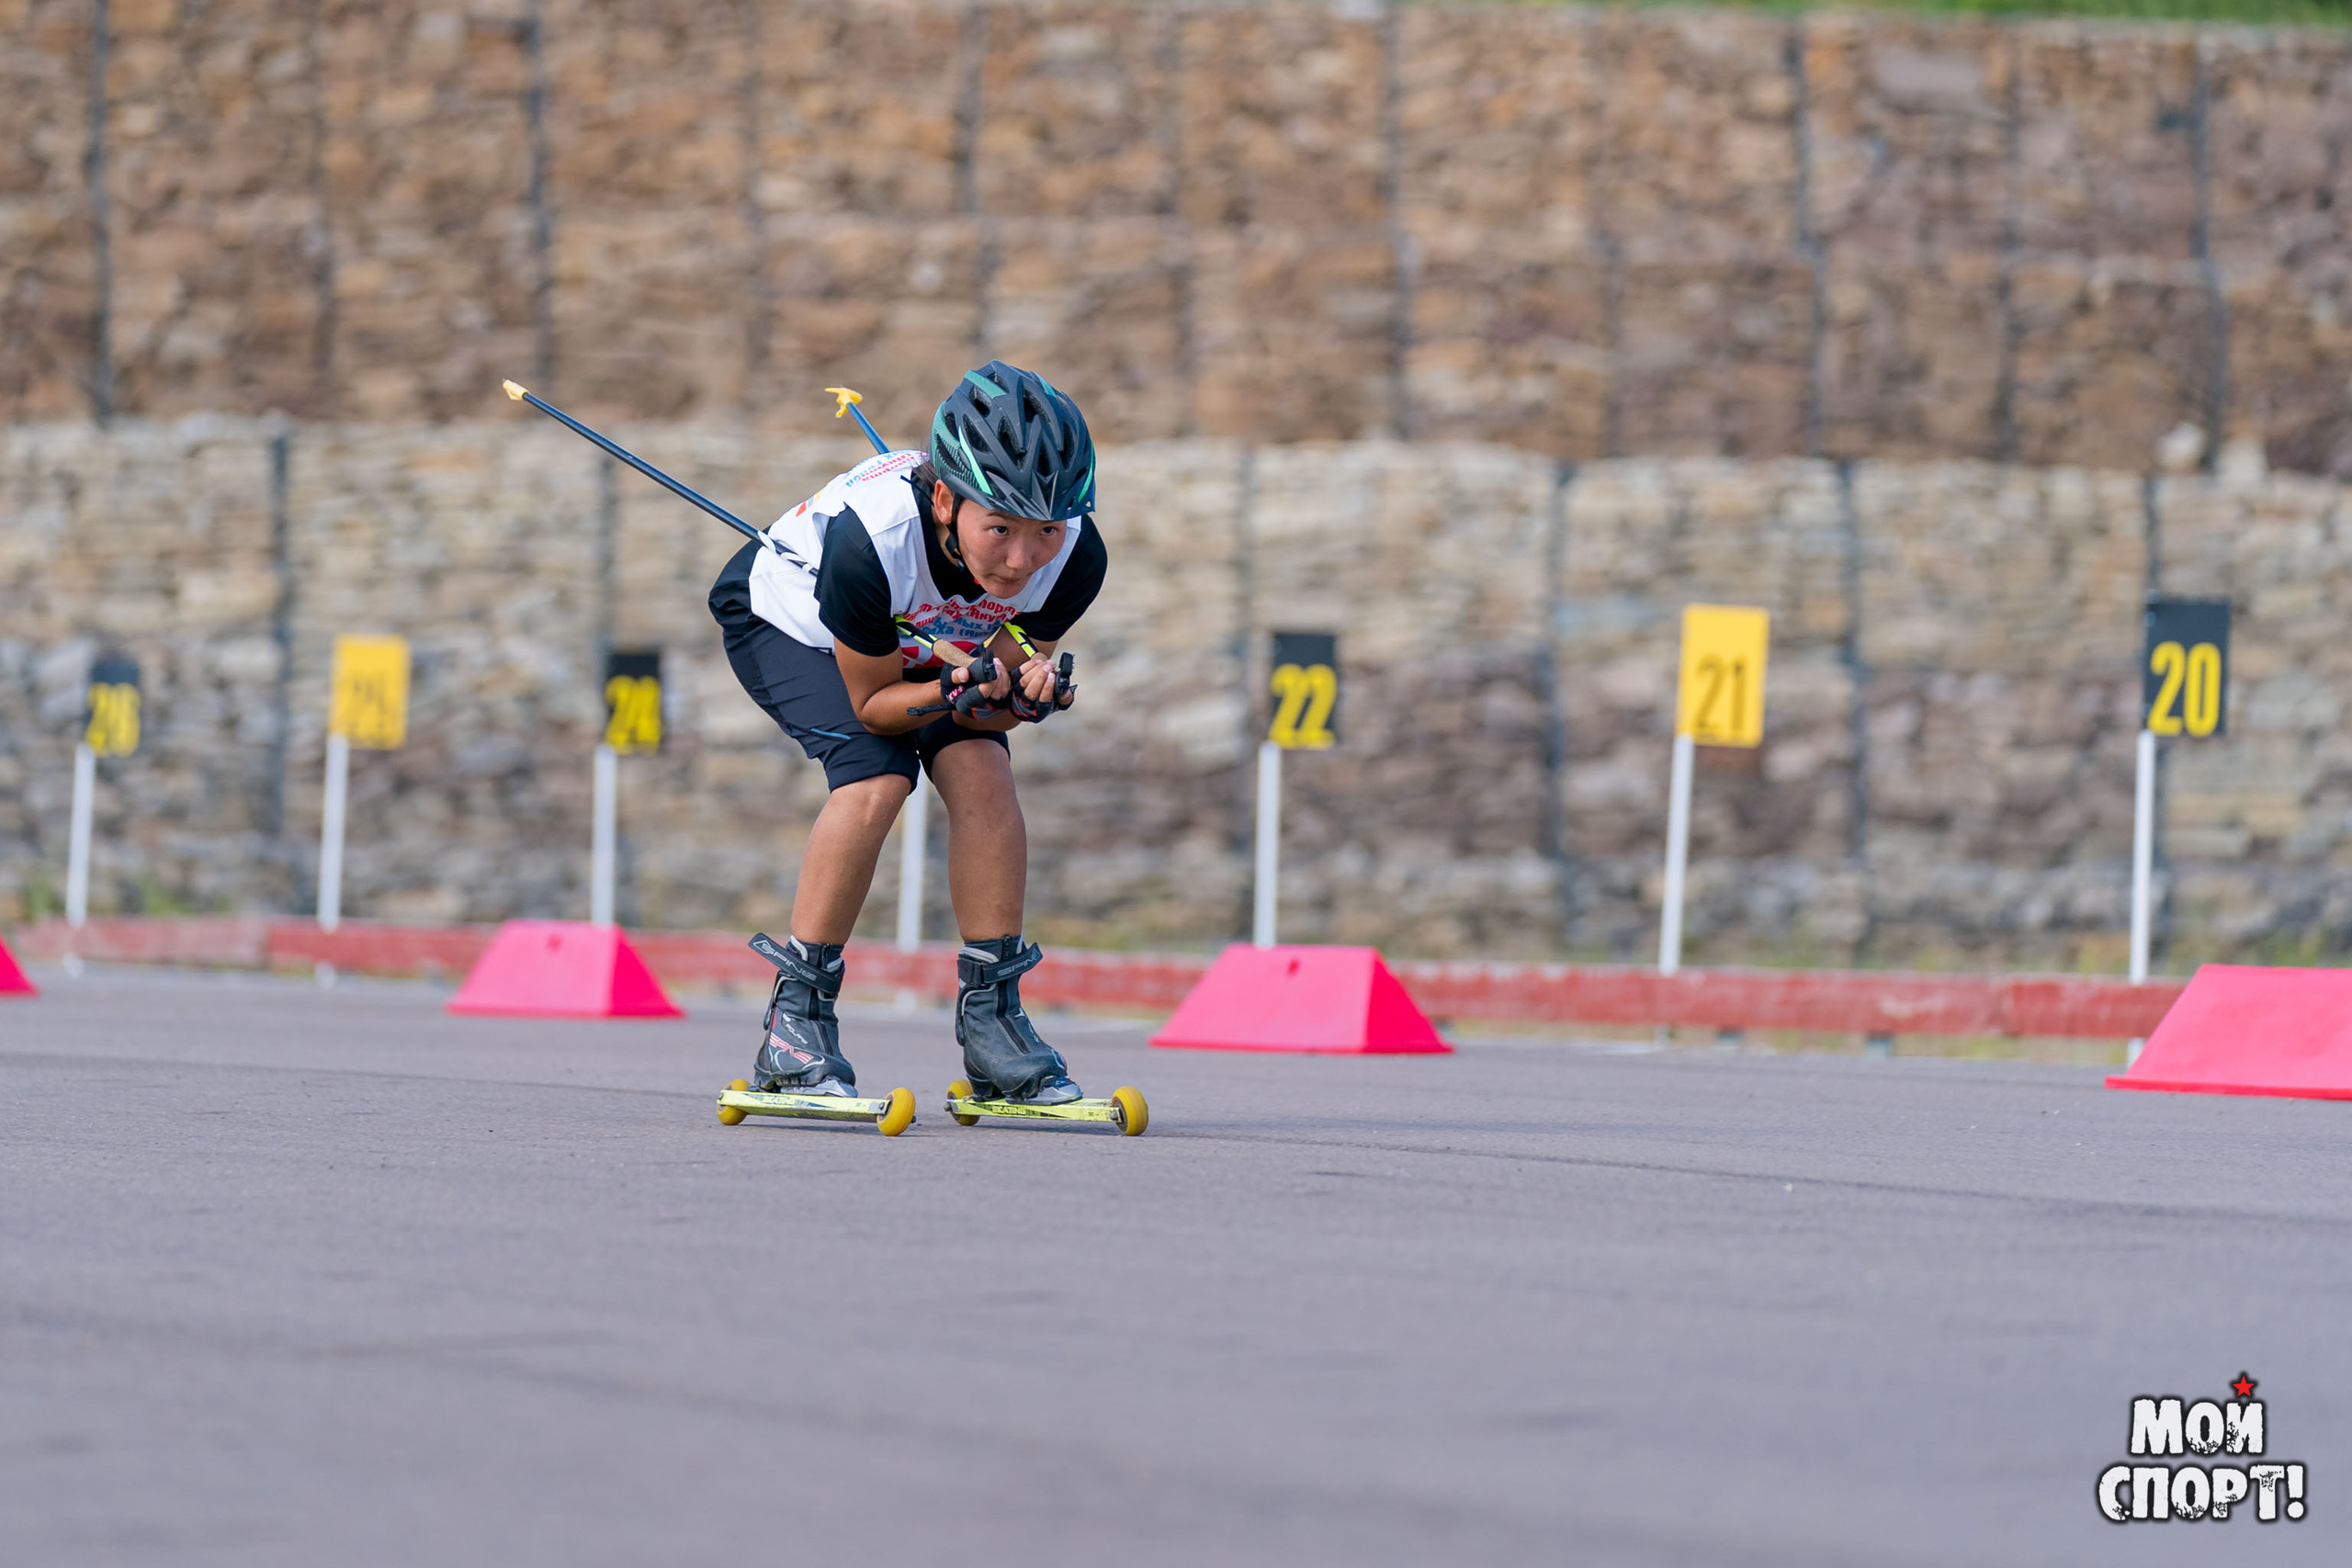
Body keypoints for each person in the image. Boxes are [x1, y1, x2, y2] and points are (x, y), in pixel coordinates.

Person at [707, 362, 1106, 1104]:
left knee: (984, 769)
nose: (1022, 559)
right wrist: (954, 685)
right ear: (949, 499)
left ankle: (994, 1023)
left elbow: (992, 702)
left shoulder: (1076, 560)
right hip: (794, 621)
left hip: (920, 642)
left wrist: (1024, 697)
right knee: (878, 772)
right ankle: (795, 1025)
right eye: (1000, 529)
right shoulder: (873, 543)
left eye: (1045, 529)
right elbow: (876, 707)